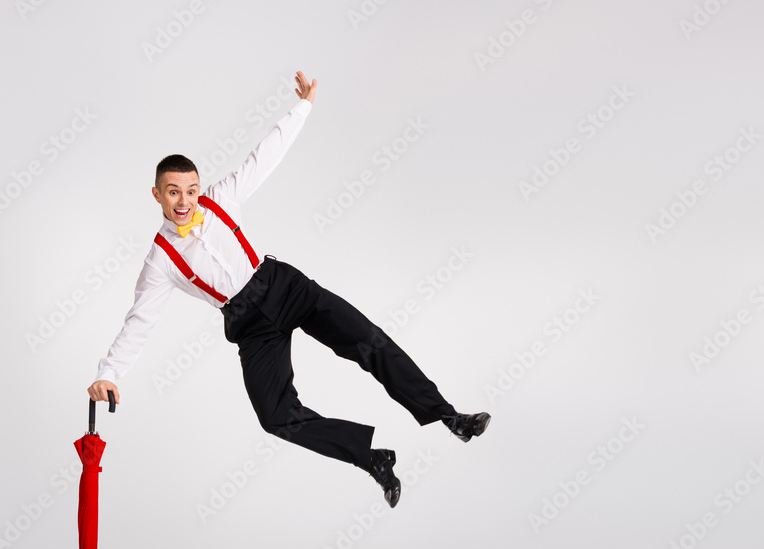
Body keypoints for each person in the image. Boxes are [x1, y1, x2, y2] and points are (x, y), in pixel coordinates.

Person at [87, 71, 489, 508]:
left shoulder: (221, 198)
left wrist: (303, 107)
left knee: (368, 343)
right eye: (173, 192)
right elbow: (140, 321)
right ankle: (371, 458)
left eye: (190, 190)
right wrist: (108, 373)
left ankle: (449, 416)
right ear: (157, 195)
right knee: (275, 416)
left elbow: (265, 156)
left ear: (199, 188)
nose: (184, 201)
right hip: (248, 323)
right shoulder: (160, 258)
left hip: (284, 286)